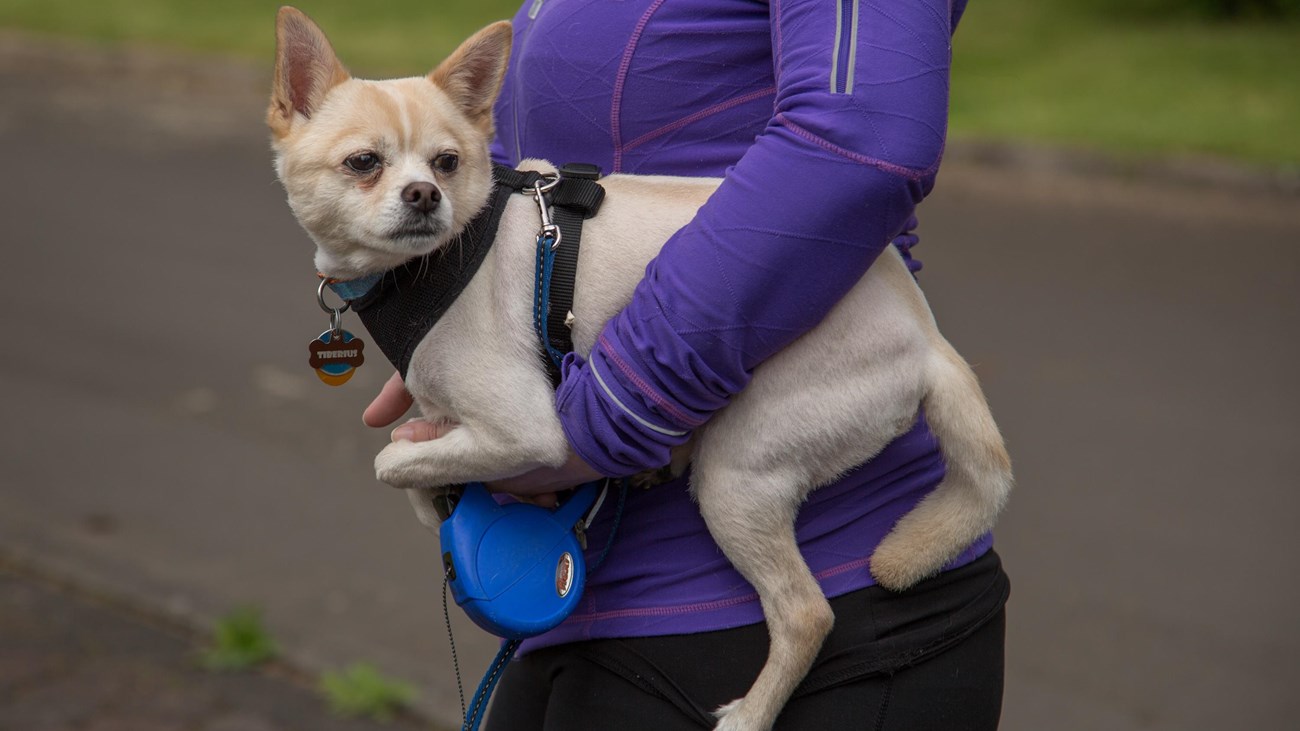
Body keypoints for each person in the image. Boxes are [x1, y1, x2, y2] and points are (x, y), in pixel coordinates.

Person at [366, 0, 1011, 728]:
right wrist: (471, 322)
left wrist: (596, 420)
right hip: (578, 604)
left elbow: (855, 146)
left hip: (803, 623)